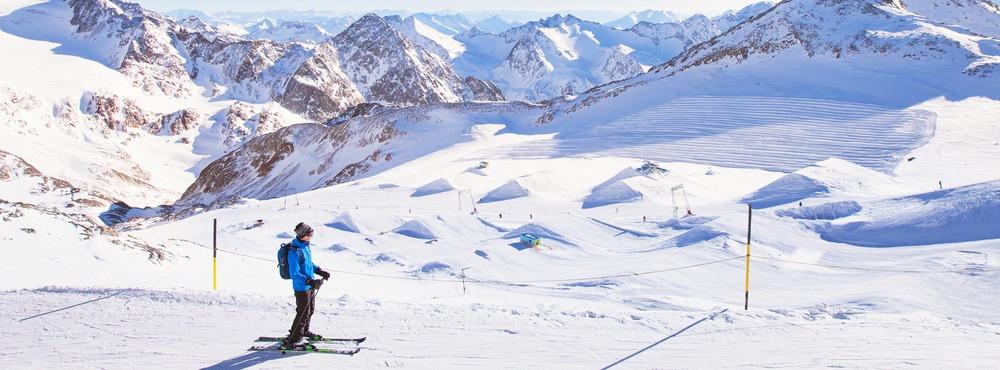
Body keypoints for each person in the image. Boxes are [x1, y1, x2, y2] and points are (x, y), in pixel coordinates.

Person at [281, 222, 331, 348]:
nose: (311, 237)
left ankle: (304, 332)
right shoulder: (294, 252)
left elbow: (309, 263)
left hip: (310, 285)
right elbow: (295, 273)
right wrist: (309, 281)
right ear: (302, 235)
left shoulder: (305, 247)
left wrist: (319, 271)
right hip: (301, 287)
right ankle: (294, 339)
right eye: (309, 234)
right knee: (302, 312)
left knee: (310, 311)